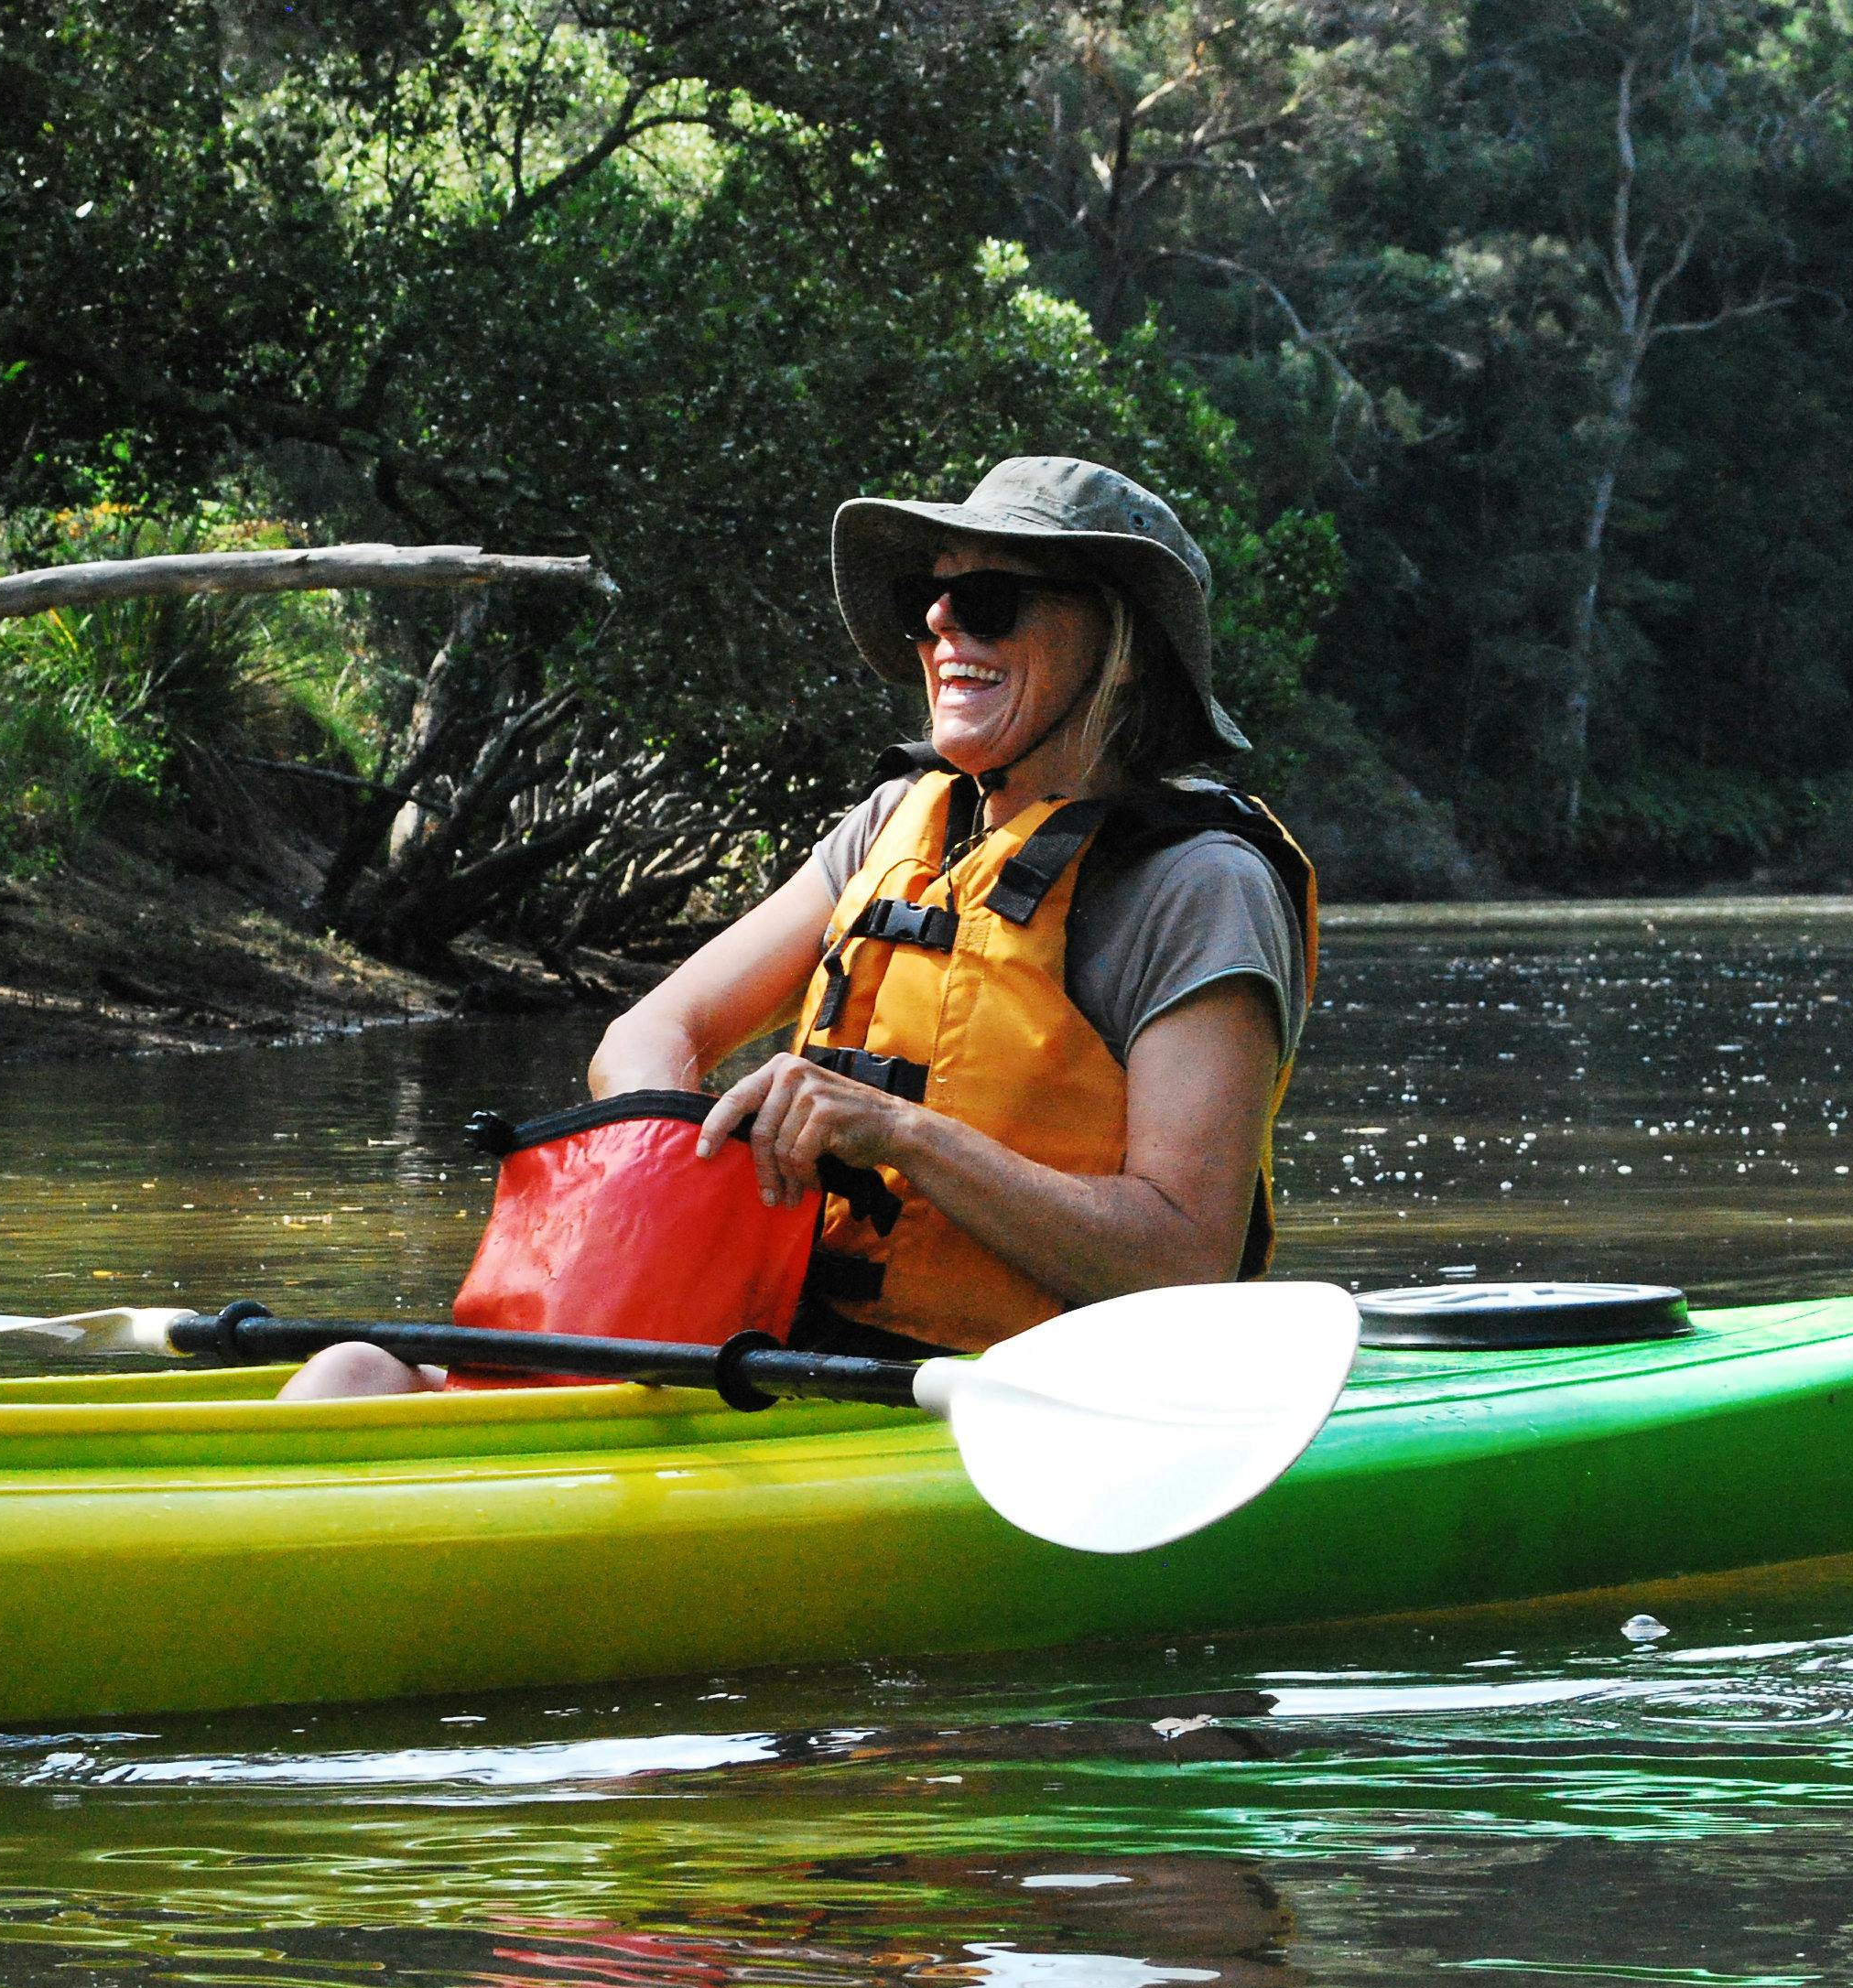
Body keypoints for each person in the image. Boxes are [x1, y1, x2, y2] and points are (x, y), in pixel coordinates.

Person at [288, 455, 1314, 1398]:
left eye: (991, 601)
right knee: (349, 1372)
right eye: (931, 599)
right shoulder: (893, 824)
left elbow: (1182, 1256)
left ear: (1122, 644)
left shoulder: (1195, 886)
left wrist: (900, 1134)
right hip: (781, 1350)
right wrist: (706, 1181)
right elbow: (646, 1039)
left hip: (1015, 1404)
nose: (945, 629)